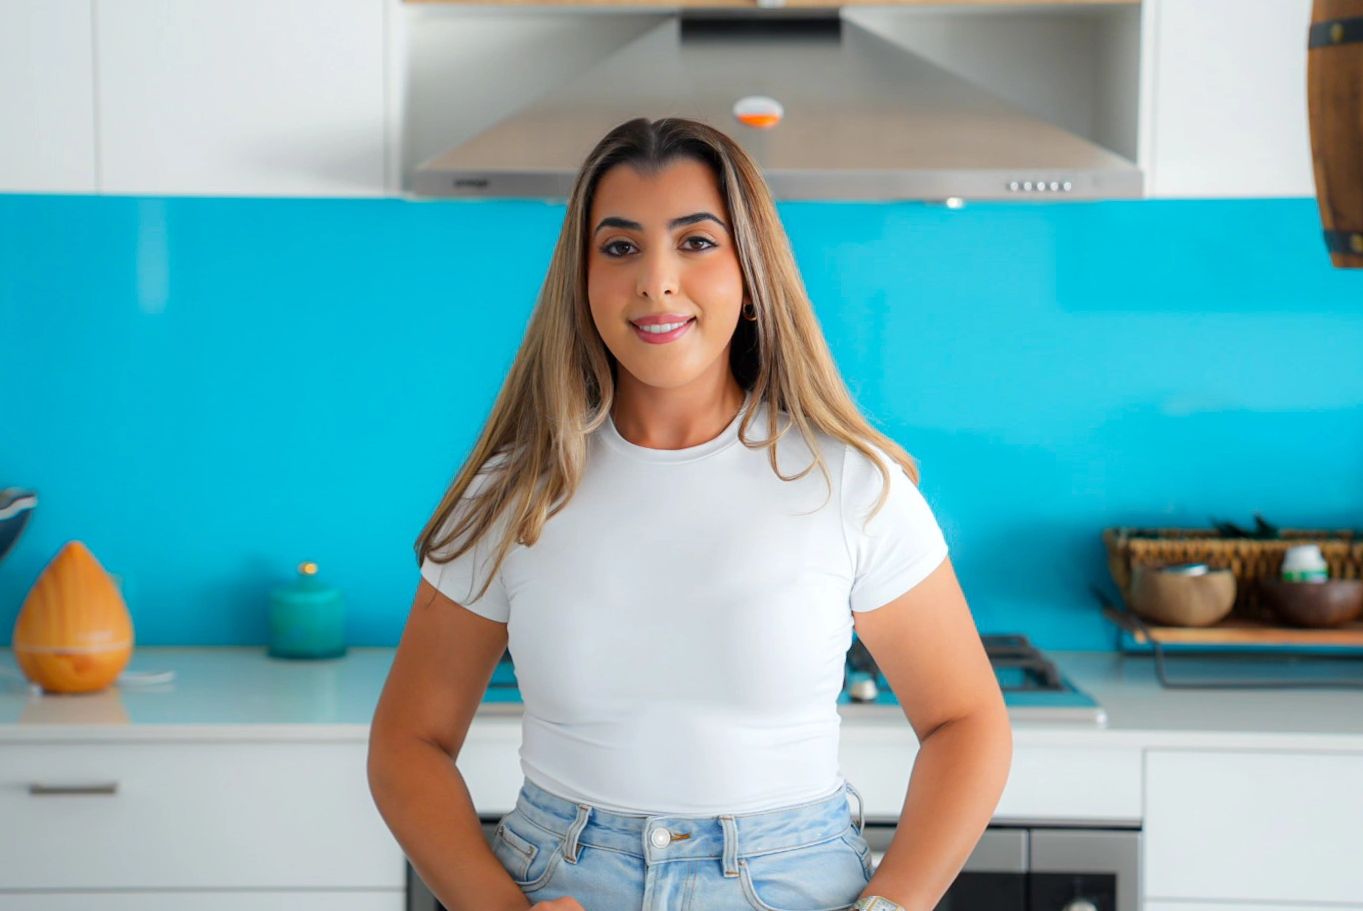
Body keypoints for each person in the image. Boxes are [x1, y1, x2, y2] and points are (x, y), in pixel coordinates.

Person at [367, 117, 1012, 911]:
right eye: (619, 246)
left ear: (750, 271)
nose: (655, 280)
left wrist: (890, 907)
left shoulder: (850, 482)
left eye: (696, 242)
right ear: (581, 279)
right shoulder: (516, 492)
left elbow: (965, 720)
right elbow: (408, 742)